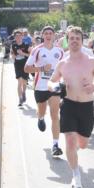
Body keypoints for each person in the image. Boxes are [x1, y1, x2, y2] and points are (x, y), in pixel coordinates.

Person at [50, 26, 94, 188]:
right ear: (67, 41)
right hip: (68, 105)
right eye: (71, 38)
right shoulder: (63, 63)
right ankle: (76, 175)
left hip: (86, 107)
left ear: (82, 41)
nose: (74, 41)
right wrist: (55, 86)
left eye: (77, 38)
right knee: (70, 141)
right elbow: (51, 81)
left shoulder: (91, 61)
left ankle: (77, 147)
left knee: (82, 144)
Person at [25, 26, 66, 156]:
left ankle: (55, 145)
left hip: (54, 86)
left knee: (55, 115)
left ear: (54, 36)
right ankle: (41, 117)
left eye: (50, 33)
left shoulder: (60, 51)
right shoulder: (37, 50)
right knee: (42, 110)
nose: (48, 35)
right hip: (40, 87)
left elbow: (65, 67)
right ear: (43, 36)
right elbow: (26, 68)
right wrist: (42, 68)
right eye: (46, 33)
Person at [10, 29, 32, 106]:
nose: (18, 37)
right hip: (17, 64)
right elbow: (12, 54)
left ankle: (24, 92)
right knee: (19, 81)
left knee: (24, 82)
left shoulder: (26, 45)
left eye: (19, 36)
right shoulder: (13, 45)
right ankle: (20, 99)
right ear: (14, 37)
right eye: (16, 36)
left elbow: (31, 55)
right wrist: (13, 56)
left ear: (22, 37)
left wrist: (23, 53)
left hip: (25, 65)